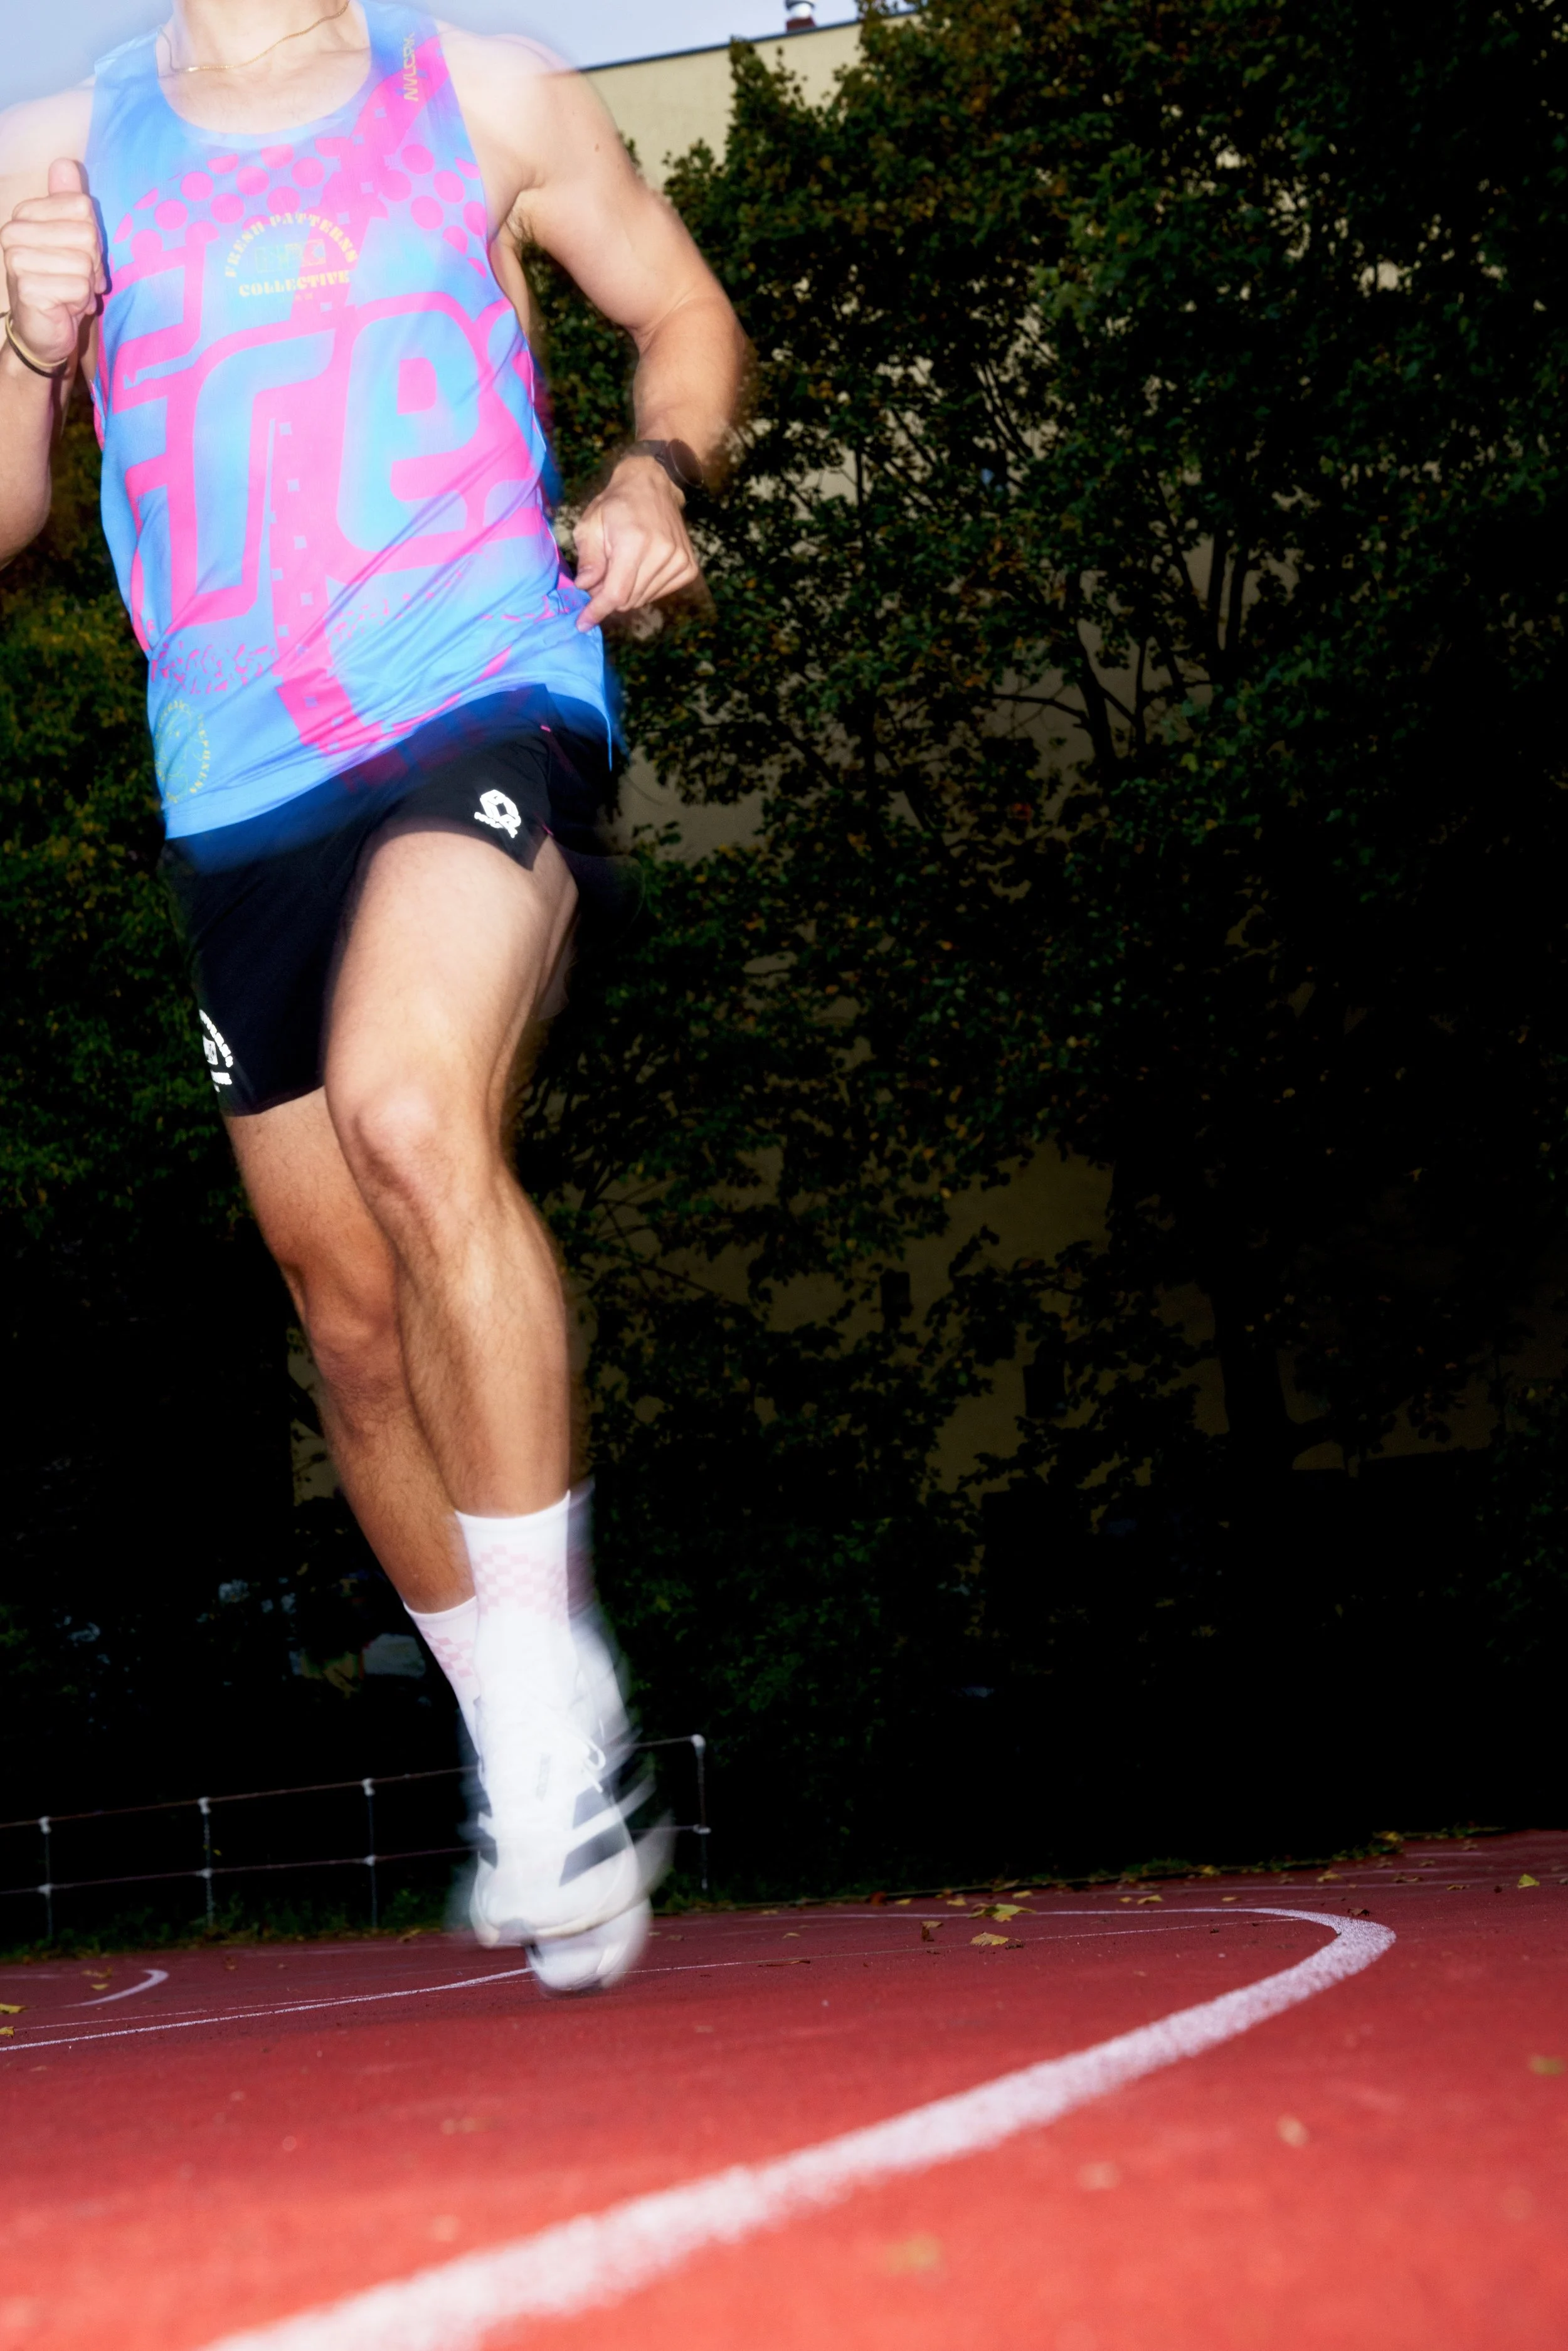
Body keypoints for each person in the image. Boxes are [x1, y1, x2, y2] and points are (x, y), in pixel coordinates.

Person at [0, 0, 745, 1992]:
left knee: (417, 1112)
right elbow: (5, 524)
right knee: (344, 1320)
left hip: (481, 687)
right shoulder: (50, 150)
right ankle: (514, 1719)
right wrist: (28, 343)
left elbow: (685, 316)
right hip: (234, 797)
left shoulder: (483, 93)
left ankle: (556, 1734)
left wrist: (655, 475)